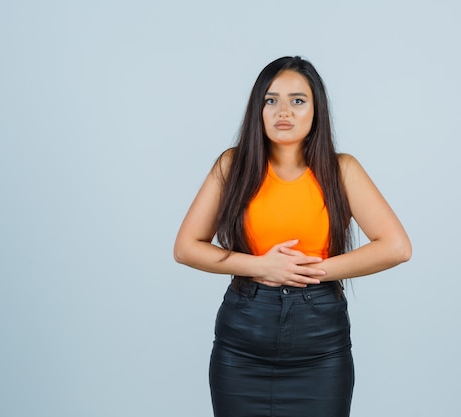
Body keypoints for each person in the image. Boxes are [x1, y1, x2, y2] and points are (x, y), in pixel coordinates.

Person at [174, 56, 411, 417]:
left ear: (317, 110)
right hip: (243, 341)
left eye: (297, 100)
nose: (283, 110)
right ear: (258, 109)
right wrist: (262, 267)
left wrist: (311, 272)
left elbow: (396, 247)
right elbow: (186, 248)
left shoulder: (341, 170)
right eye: (271, 100)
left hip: (320, 343)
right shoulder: (232, 165)